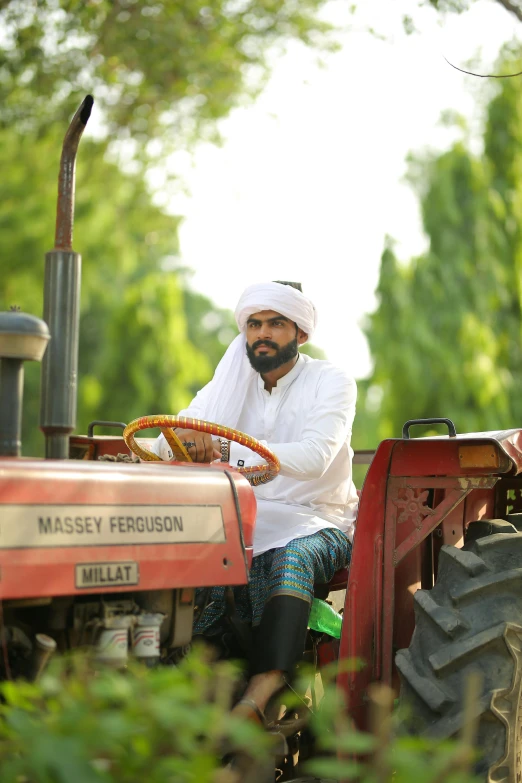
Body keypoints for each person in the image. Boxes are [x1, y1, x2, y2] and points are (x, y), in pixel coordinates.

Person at [153, 280, 358, 725]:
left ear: (300, 334)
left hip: (316, 518)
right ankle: (183, 681)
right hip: (242, 514)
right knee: (182, 552)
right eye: (254, 324)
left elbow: (315, 455)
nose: (262, 333)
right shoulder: (229, 384)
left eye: (276, 324)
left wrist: (224, 449)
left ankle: (259, 695)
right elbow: (167, 437)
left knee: (292, 559)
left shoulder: (333, 382)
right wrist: (184, 438)